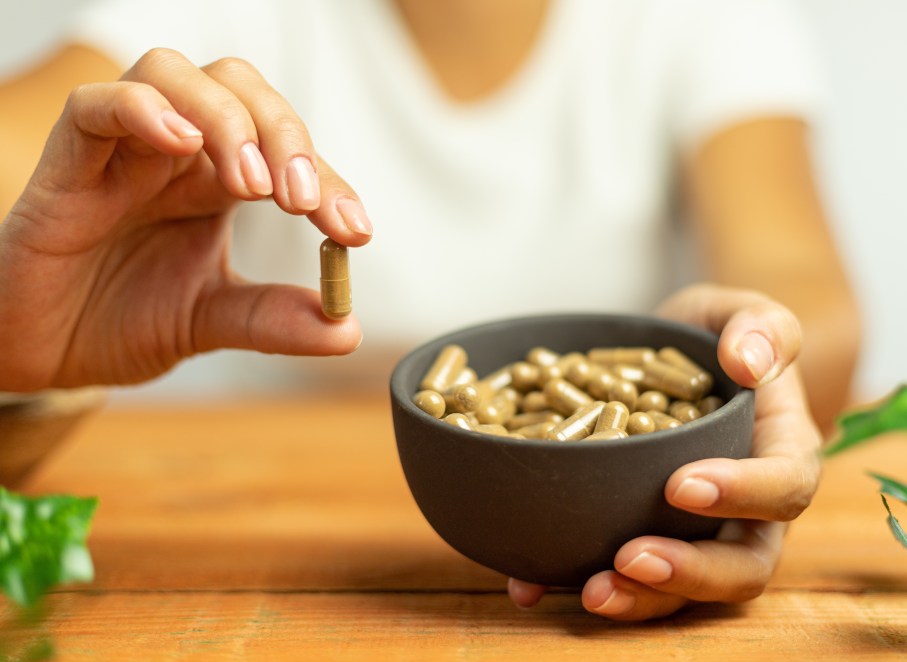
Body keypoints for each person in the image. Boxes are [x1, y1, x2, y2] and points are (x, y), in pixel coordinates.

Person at [0, 0, 858, 621]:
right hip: (282, 532)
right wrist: (12, 321)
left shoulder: (700, 20)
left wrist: (754, 359)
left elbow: (804, 287)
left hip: (619, 508)